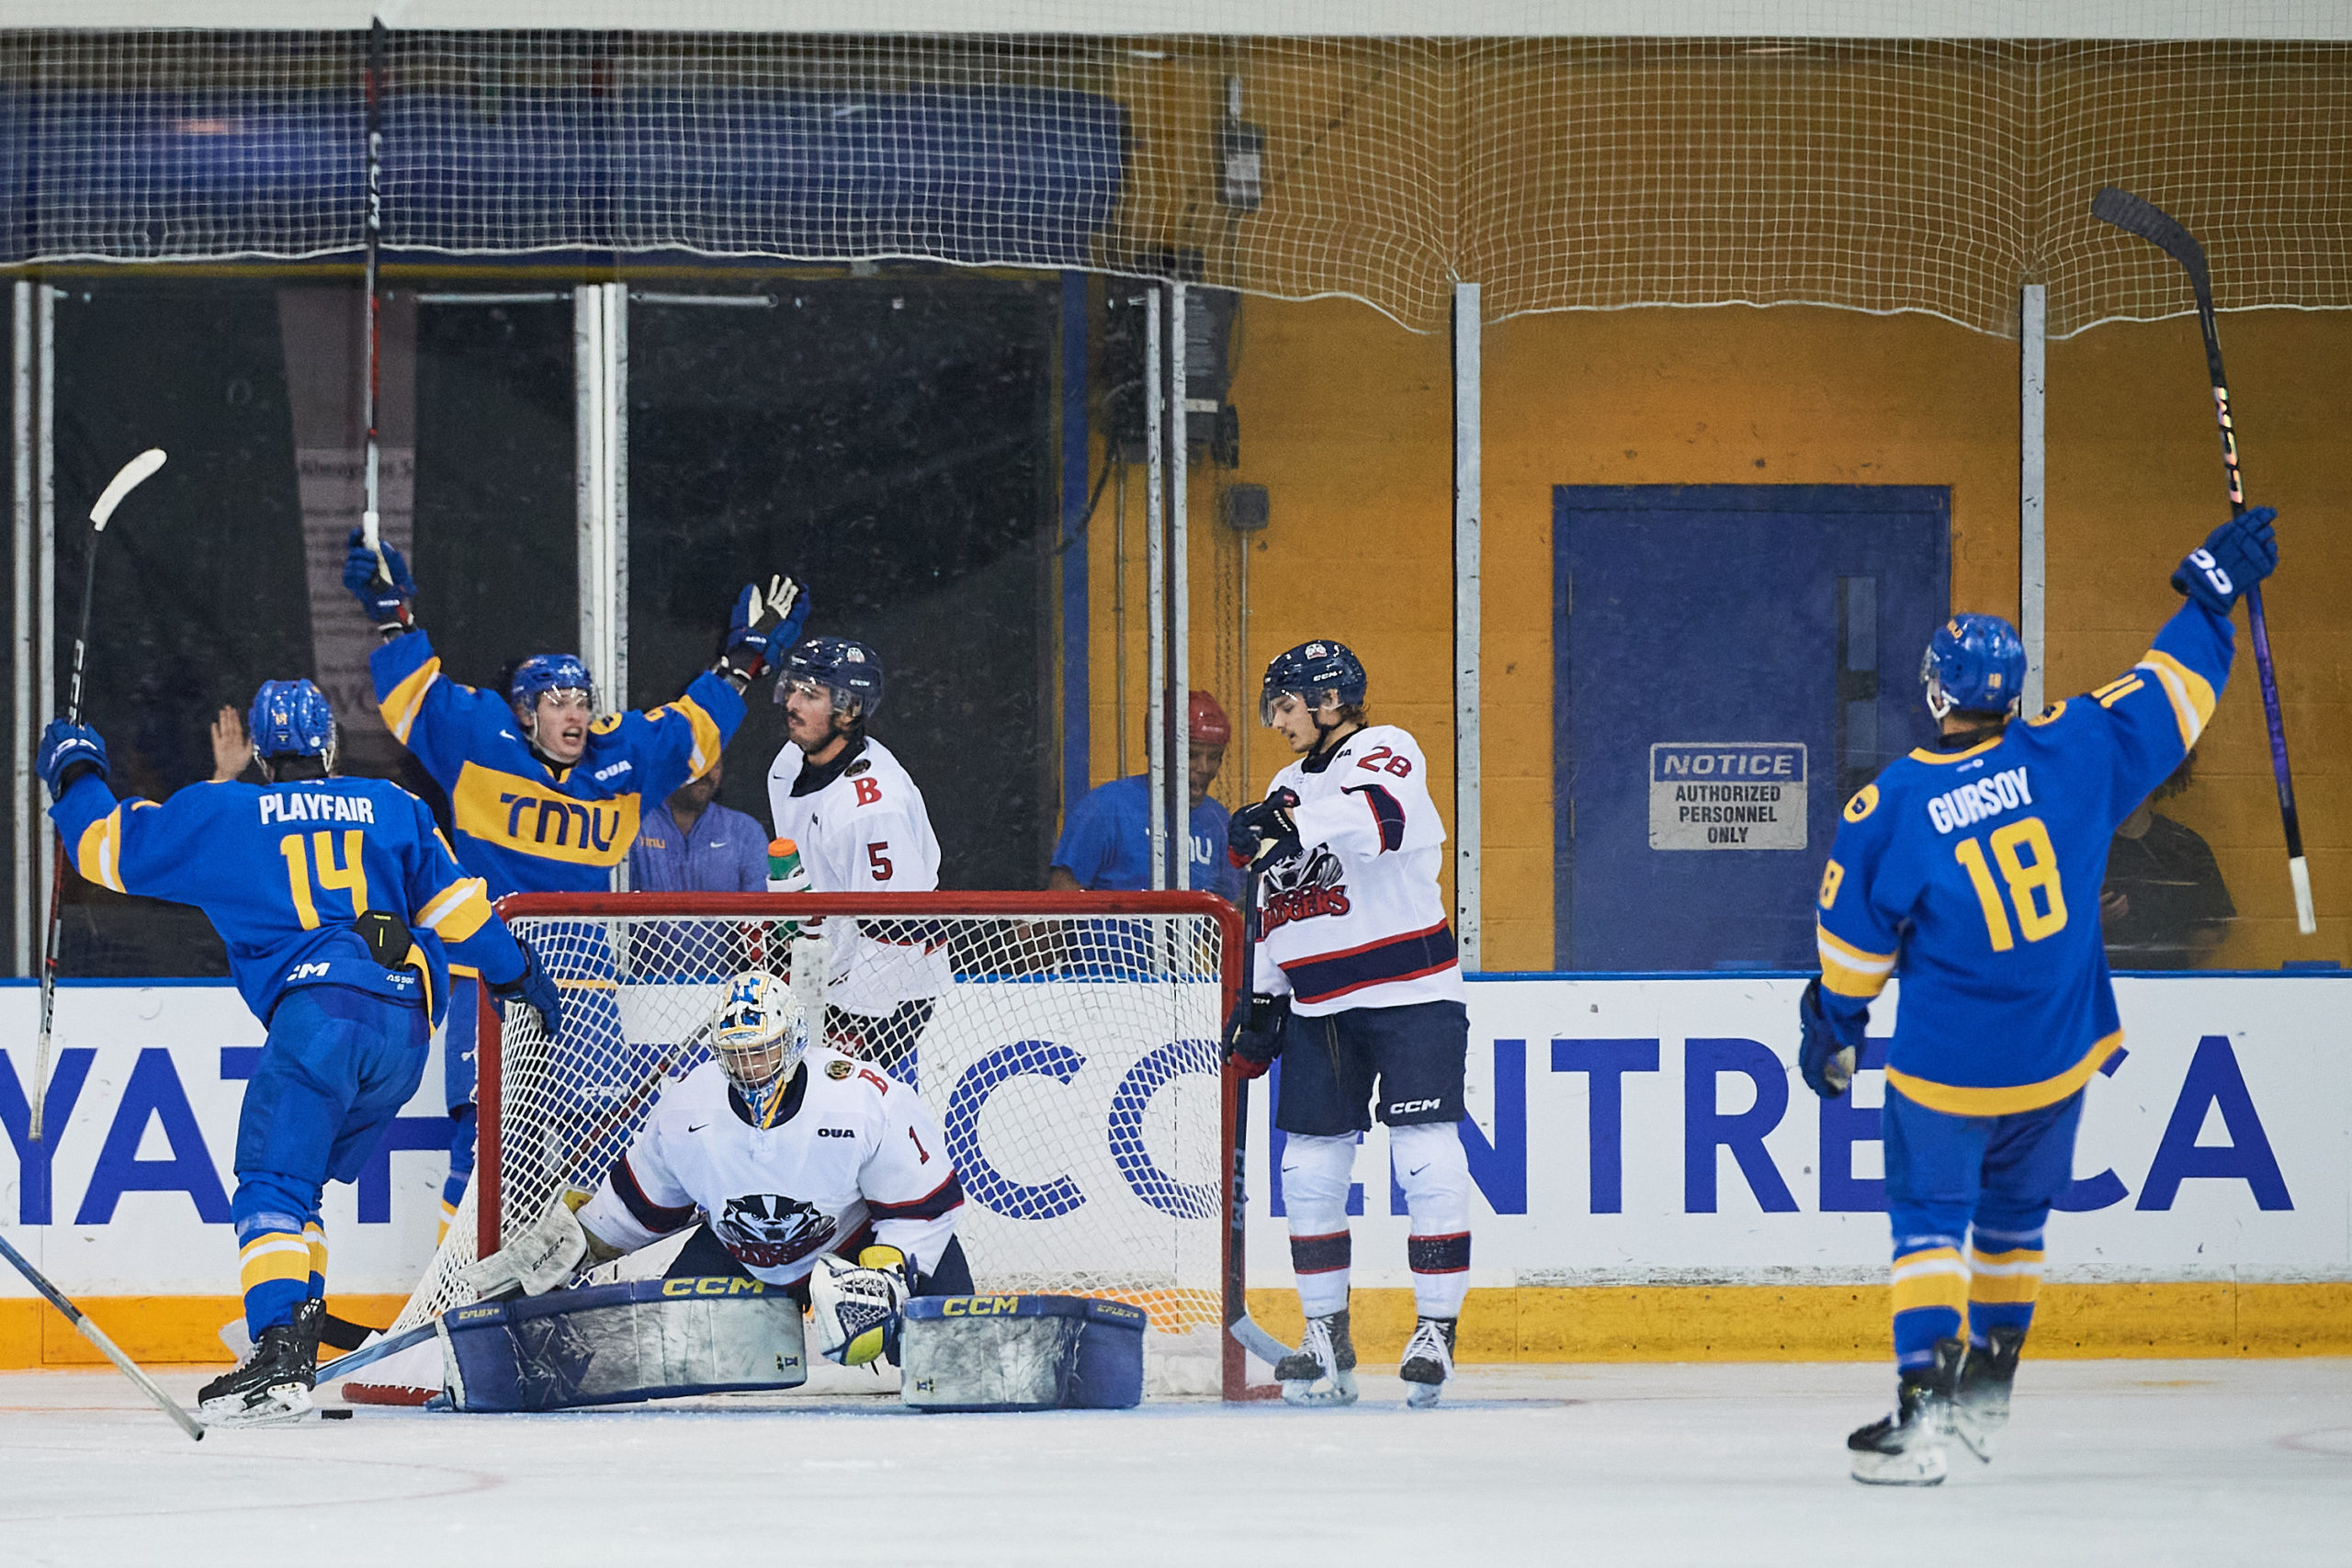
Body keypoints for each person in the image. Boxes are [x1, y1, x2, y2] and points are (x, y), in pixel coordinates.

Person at [1802, 507, 2277, 1484]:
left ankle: (1923, 1419)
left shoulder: (1888, 804)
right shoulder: (2070, 750)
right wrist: (2208, 601)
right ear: (2010, 692)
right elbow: (2171, 694)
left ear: (1933, 692)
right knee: (2015, 1224)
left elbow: (1851, 957)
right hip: (2059, 1054)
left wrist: (1832, 1030)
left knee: (1927, 1225)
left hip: (1949, 1065)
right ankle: (1987, 1396)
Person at [37, 679, 562, 1426]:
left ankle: (280, 1345)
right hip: (405, 1028)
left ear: (255, 748)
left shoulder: (226, 812)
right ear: (330, 745)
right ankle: (300, 1329)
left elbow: (102, 849)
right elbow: (459, 910)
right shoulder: (391, 803)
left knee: (271, 1189)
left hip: (319, 1019)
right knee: (303, 1185)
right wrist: (518, 977)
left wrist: (75, 769)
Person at [345, 532, 802, 1237]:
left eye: (581, 699)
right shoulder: (477, 736)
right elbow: (413, 697)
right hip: (488, 969)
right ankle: (461, 1284)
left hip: (582, 974)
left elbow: (693, 730)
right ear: (525, 711)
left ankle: (580, 1284)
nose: (575, 713)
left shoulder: (619, 755)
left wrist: (743, 660)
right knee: (487, 1142)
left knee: (594, 1141)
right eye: (557, 702)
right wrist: (392, 617)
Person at [462, 969, 969, 1371]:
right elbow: (639, 1209)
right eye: (737, 1056)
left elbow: (924, 1209)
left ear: (794, 1042)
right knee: (669, 1346)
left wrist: (884, 1274)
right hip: (741, 1254)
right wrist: (574, 1247)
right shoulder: (688, 1109)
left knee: (946, 1356)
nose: (751, 1068)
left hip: (855, 1247)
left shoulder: (860, 1099)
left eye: (763, 1051)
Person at [1223, 639, 1472, 1409]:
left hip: (1410, 994)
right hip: (1318, 1006)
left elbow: (1383, 819)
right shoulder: (1284, 785)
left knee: (1427, 1161)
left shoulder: (1387, 749)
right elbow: (1274, 899)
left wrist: (1289, 819)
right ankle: (1326, 1335)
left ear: (1329, 700)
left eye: (1286, 704)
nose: (1277, 720)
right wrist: (1263, 998)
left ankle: (1435, 1329)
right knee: (1308, 1175)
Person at [763, 637, 949, 1085]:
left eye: (810, 695)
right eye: (792, 688)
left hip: (892, 994)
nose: (792, 703)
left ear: (850, 710)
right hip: (829, 969)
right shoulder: (790, 763)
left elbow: (901, 930)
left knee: (844, 1109)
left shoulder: (870, 808)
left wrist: (853, 1025)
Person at [1049, 691, 1241, 903]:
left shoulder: (1218, 821)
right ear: (1159, 751)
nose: (1204, 768)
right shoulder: (1105, 809)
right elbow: (1059, 905)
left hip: (1184, 937)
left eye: (1214, 757)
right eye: (1191, 755)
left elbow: (1228, 906)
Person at [2101, 750, 2235, 968]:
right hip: (2102, 988)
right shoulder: (2085, 850)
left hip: (2173, 990)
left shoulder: (2187, 847)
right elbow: (2048, 931)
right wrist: (2091, 924)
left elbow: (2211, 927)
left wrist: (2175, 983)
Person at [629, 757, 768, 894]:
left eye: (713, 764)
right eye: (695, 761)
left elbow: (760, 909)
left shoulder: (745, 830)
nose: (704, 772)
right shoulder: (632, 825)